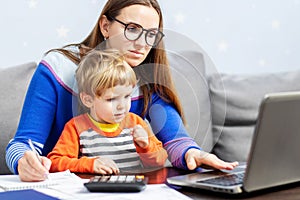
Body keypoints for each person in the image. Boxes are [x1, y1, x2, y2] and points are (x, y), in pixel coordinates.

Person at [6, 0, 238, 182]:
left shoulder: (147, 78)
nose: (142, 44)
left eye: (151, 34)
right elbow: (22, 144)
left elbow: (176, 140)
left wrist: (193, 153)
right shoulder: (58, 67)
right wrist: (23, 162)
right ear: (105, 26)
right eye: (133, 29)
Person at [47, 49, 168, 174]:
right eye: (112, 99)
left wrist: (146, 146)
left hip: (134, 190)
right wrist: (89, 164)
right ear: (88, 100)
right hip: (95, 191)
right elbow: (55, 162)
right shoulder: (76, 127)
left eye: (127, 96)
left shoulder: (136, 123)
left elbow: (160, 161)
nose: (122, 106)